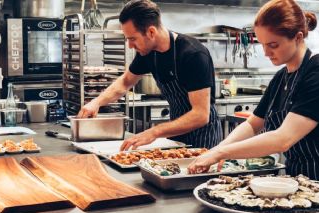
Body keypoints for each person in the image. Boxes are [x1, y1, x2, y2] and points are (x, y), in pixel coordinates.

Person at [188, 0, 319, 211]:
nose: (266, 52)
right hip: (303, 181)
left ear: (298, 37)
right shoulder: (280, 78)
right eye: (262, 44)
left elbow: (283, 139)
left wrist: (222, 154)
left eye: (273, 45)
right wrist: (218, 148)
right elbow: (253, 124)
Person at [77, 0, 222, 150]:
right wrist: (97, 102)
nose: (130, 45)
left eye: (132, 39)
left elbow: (200, 115)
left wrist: (154, 132)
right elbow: (125, 82)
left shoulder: (192, 54)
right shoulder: (148, 52)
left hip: (203, 137)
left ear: (151, 32)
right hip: (176, 133)